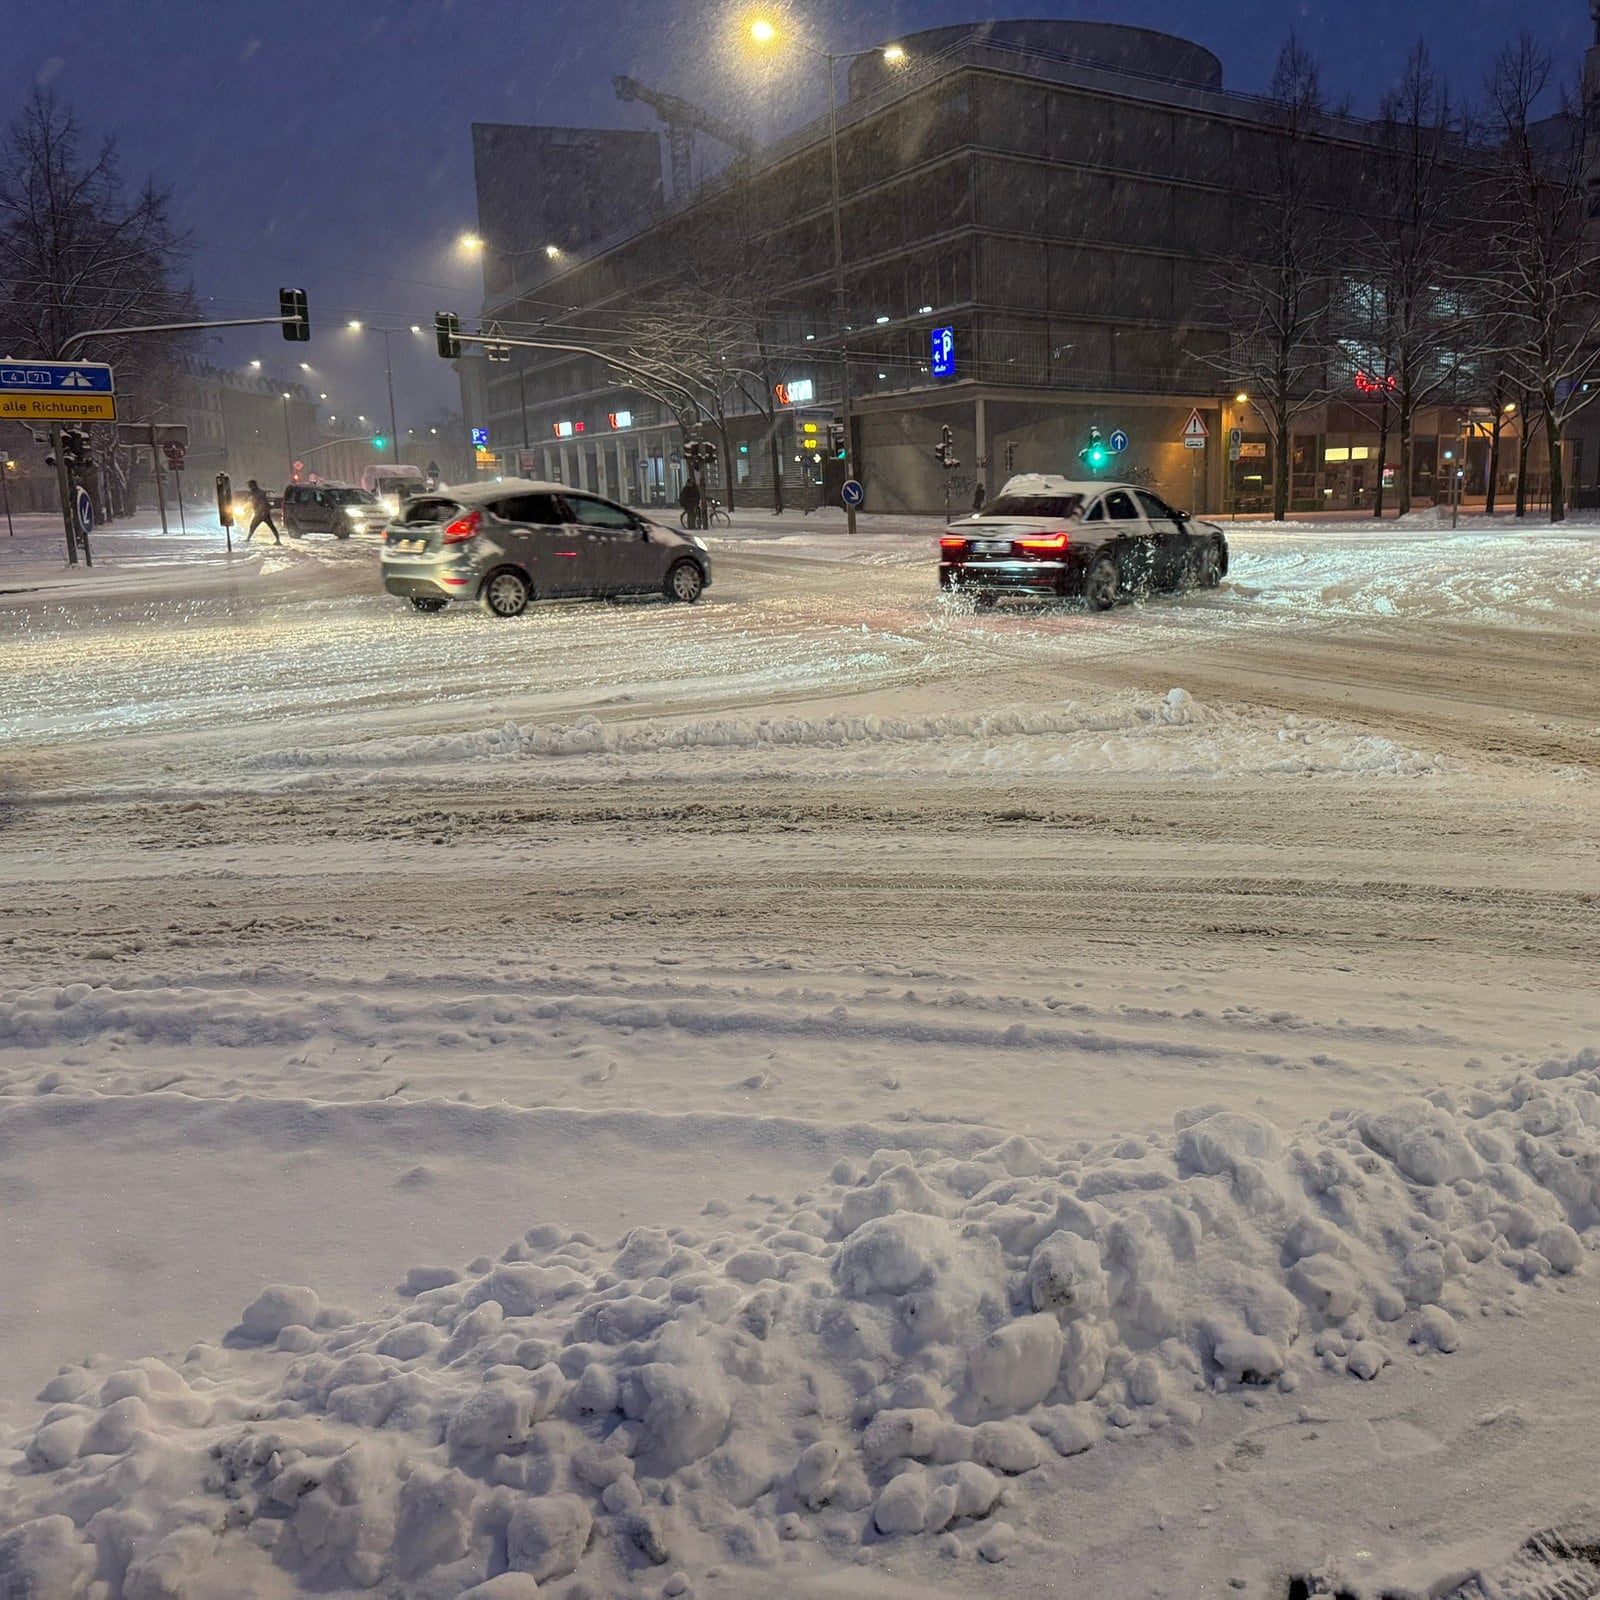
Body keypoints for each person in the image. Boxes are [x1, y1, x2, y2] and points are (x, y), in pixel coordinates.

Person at [244, 479, 279, 545]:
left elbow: (263, 503)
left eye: (250, 485)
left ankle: (248, 538)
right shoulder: (255, 493)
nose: (249, 487)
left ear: (253, 485)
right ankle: (278, 540)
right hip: (261, 513)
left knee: (254, 525)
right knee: (254, 525)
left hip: (261, 513)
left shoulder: (259, 493)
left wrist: (262, 512)